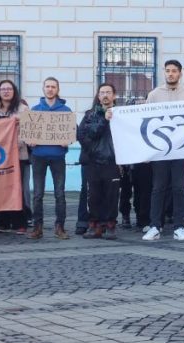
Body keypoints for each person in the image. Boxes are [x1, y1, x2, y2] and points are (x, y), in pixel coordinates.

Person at [142, 59, 184, 242]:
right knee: (158, 188)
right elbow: (145, 120)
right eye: (168, 70)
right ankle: (155, 225)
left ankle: (179, 227)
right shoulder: (154, 95)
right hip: (160, 150)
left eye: (174, 71)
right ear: (164, 73)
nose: (170, 74)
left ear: (180, 73)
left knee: (179, 189)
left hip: (181, 151)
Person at [28, 77, 72, 240]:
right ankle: (37, 227)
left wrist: (67, 140)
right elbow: (28, 133)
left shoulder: (66, 111)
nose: (50, 89)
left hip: (57, 156)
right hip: (38, 155)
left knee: (59, 193)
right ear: (43, 89)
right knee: (38, 194)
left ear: (57, 89)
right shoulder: (35, 110)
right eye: (47, 86)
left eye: (53, 87)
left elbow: (72, 132)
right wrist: (30, 140)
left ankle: (60, 226)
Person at [79, 83, 120, 240]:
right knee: (93, 196)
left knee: (111, 196)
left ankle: (110, 225)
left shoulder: (121, 114)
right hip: (93, 162)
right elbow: (85, 135)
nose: (105, 95)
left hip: (112, 161)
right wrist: (104, 119)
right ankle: (94, 225)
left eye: (108, 92)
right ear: (98, 95)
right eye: (102, 92)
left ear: (114, 95)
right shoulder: (90, 115)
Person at [0, 80, 30, 235]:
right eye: (3, 89)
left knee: (16, 189)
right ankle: (2, 222)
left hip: (17, 155)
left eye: (9, 89)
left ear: (14, 91)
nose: (6, 91)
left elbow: (28, 131)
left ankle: (20, 223)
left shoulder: (23, 109)